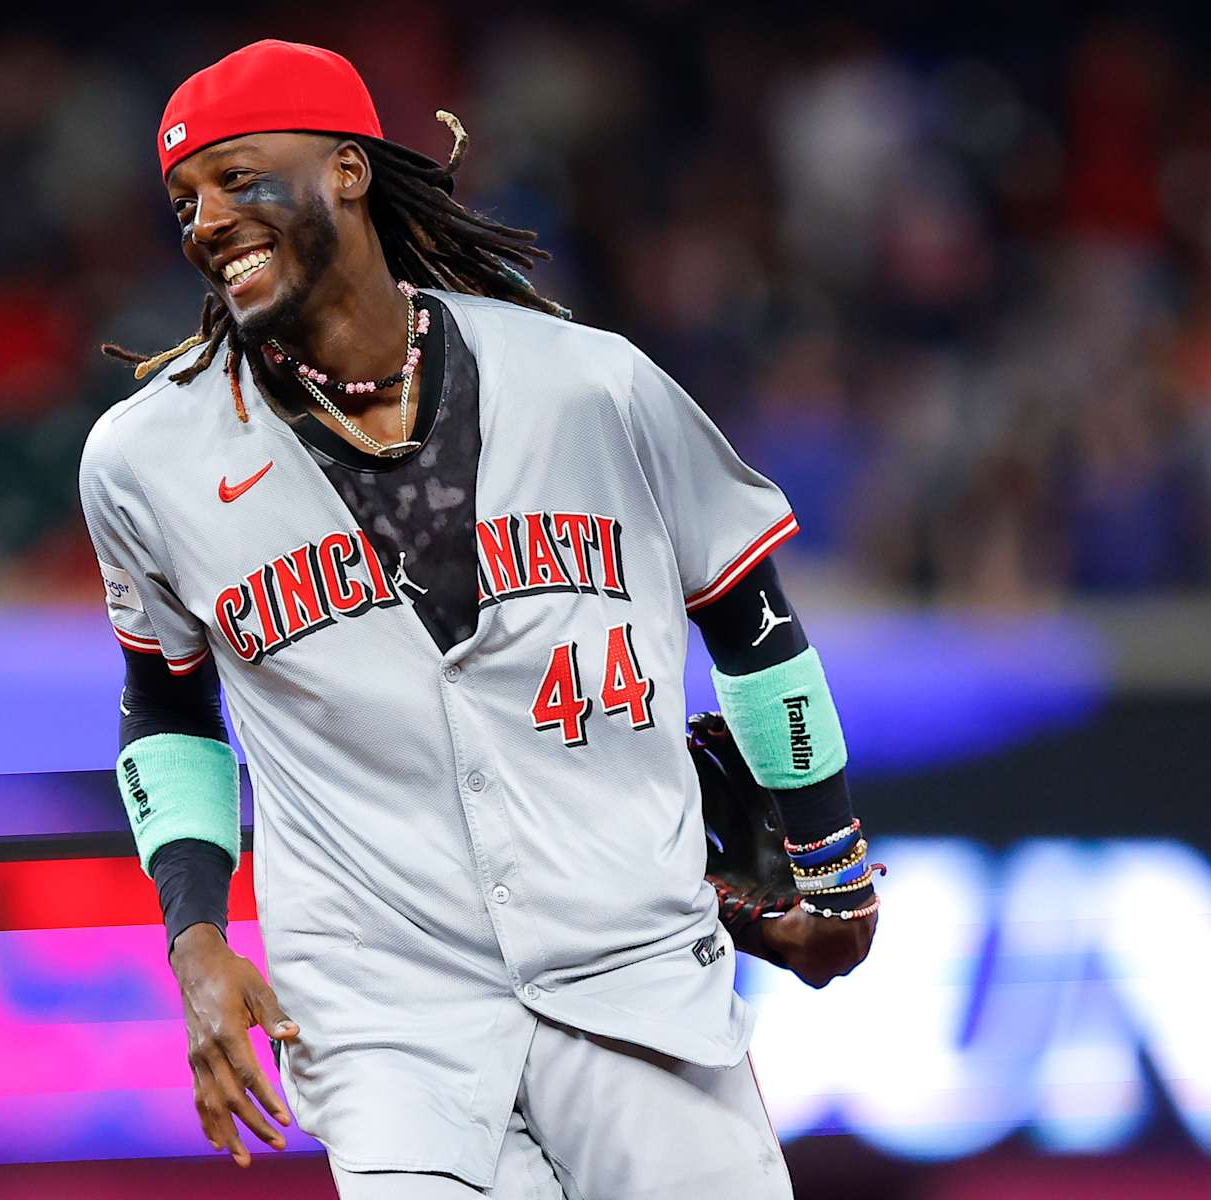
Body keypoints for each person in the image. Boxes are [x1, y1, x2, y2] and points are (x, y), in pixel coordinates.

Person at [78, 39, 878, 1198]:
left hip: (631, 970)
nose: (206, 221)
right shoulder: (146, 458)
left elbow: (749, 620)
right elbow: (166, 705)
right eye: (185, 201)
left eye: (238, 179)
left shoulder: (589, 384)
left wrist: (832, 868)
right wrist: (195, 937)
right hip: (382, 1013)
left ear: (348, 169)